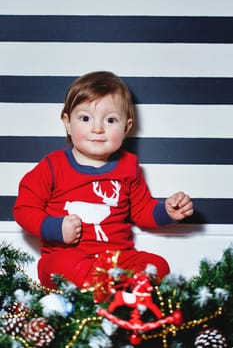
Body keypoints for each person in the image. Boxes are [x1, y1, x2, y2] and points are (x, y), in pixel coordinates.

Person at [13, 71, 193, 289]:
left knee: (158, 265)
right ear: (67, 123)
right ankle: (109, 290)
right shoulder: (52, 166)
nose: (97, 128)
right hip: (69, 257)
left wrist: (166, 211)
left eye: (110, 120)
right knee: (60, 265)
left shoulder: (129, 167)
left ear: (126, 128)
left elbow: (141, 210)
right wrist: (55, 227)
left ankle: (117, 290)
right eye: (85, 118)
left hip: (118, 259)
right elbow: (24, 209)